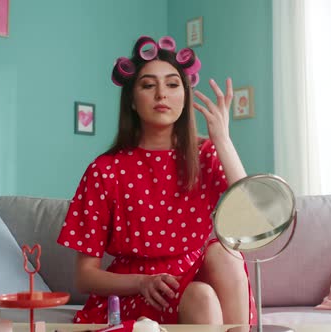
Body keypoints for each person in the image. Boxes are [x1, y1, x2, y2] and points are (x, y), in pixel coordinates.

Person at [57, 35, 257, 325]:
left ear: (185, 96)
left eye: (173, 84)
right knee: (201, 296)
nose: (161, 94)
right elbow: (84, 277)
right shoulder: (105, 170)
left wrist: (223, 140)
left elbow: (251, 222)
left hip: (194, 279)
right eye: (148, 85)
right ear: (133, 102)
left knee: (225, 254)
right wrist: (142, 282)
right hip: (137, 293)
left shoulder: (205, 156)